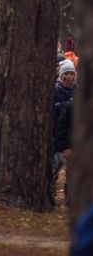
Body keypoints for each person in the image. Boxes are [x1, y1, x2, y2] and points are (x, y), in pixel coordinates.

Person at [53, 59, 76, 200]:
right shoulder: (56, 90)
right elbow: (60, 123)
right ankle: (50, 192)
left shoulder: (78, 92)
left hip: (74, 139)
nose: (69, 77)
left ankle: (70, 198)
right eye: (66, 74)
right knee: (54, 168)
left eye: (71, 74)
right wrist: (64, 145)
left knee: (72, 171)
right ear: (61, 76)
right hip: (57, 137)